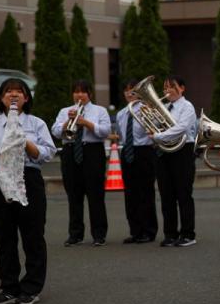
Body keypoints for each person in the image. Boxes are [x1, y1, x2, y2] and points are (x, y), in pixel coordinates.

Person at [0, 78, 56, 304]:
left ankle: (31, 287)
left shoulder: (36, 123)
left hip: (28, 177)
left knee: (33, 234)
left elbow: (48, 153)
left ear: (26, 98)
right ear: (1, 97)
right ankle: (8, 287)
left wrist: (26, 142)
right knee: (4, 236)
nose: (14, 95)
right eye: (8, 91)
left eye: (19, 92)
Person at [52, 80, 111, 247]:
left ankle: (99, 234)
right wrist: (66, 123)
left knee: (96, 195)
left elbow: (106, 131)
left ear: (89, 94)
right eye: (76, 92)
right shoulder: (65, 111)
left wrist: (86, 123)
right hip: (70, 152)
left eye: (83, 92)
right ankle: (75, 234)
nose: (80, 95)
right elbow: (56, 132)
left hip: (92, 151)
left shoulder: (100, 111)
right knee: (74, 195)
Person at [153, 75, 198, 248]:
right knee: (166, 195)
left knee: (183, 194)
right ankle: (170, 234)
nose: (168, 91)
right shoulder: (163, 106)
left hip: (183, 151)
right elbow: (153, 124)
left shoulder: (187, 107)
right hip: (164, 152)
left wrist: (158, 136)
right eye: (165, 88)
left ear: (182, 88)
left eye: (172, 87)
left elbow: (181, 128)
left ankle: (188, 234)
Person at [117, 79, 158, 244]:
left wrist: (150, 112)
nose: (129, 93)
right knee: (130, 193)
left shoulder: (147, 109)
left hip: (144, 152)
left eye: (132, 90)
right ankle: (135, 231)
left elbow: (155, 129)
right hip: (127, 152)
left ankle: (149, 231)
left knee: (146, 192)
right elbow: (121, 135)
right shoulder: (121, 114)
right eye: (126, 90)